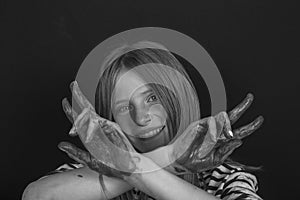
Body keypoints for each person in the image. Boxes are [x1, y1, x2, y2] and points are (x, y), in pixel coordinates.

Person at [22, 41, 264, 200]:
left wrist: (135, 169)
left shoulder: (223, 177)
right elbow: (35, 196)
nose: (141, 117)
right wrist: (169, 158)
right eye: (124, 107)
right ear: (111, 117)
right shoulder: (98, 172)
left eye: (152, 97)